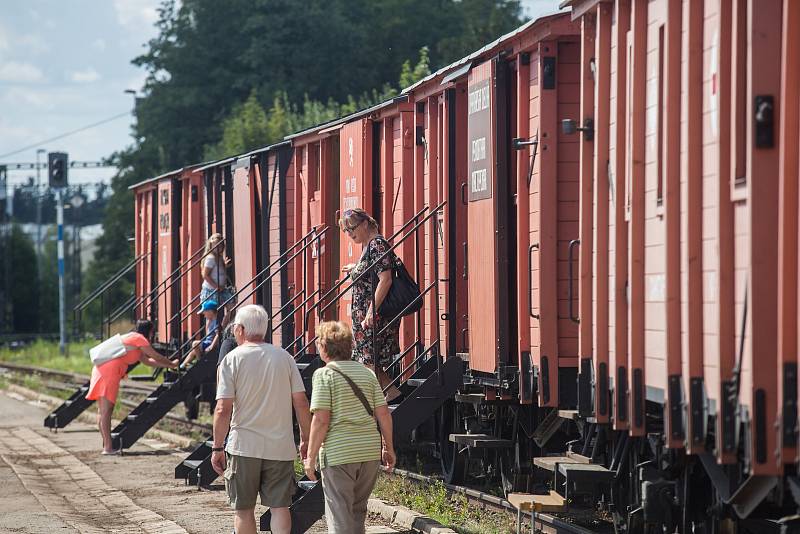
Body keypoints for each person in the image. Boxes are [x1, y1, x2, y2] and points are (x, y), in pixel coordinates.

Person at [211, 304, 312, 534]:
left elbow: (222, 409)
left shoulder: (231, 360)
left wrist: (217, 446)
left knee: (243, 510)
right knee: (280, 508)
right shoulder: (284, 358)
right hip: (280, 447)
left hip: (244, 447)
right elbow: (301, 403)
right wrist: (306, 439)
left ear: (240, 329)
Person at [303, 321, 396, 534]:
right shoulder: (368, 374)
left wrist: (310, 457)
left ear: (324, 347)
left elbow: (321, 420)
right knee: (357, 512)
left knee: (339, 516)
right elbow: (383, 413)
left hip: (339, 454)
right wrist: (388, 447)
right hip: (368, 453)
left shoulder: (324, 375)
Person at [86, 320, 177, 454]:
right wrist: (172, 364)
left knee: (103, 411)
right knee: (106, 411)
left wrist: (168, 364)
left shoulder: (133, 339)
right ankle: (108, 448)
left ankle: (107, 445)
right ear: (150, 331)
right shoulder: (139, 338)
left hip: (102, 371)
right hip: (108, 373)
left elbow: (148, 361)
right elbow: (155, 355)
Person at [339, 208, 401, 396]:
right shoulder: (369, 245)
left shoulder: (377, 245)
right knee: (368, 359)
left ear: (365, 224)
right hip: (367, 314)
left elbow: (385, 279)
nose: (350, 234)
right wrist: (354, 268)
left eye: (352, 229)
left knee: (369, 359)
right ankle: (391, 394)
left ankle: (383, 398)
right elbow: (371, 271)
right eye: (346, 231)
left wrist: (369, 313)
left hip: (374, 313)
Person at [180, 299, 220, 368]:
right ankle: (182, 366)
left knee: (195, 344)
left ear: (210, 312)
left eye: (204, 313)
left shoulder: (215, 321)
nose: (204, 316)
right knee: (193, 351)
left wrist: (212, 346)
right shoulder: (210, 320)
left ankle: (200, 361)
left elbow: (218, 334)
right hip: (207, 342)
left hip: (211, 343)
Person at [200, 233, 233, 313]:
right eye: (215, 245)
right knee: (211, 315)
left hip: (221, 289)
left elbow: (216, 270)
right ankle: (213, 326)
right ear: (211, 245)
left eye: (220, 246)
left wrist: (224, 265)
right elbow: (205, 275)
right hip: (211, 290)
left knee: (232, 307)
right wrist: (216, 287)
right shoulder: (210, 258)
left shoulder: (219, 257)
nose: (218, 248)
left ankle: (222, 325)